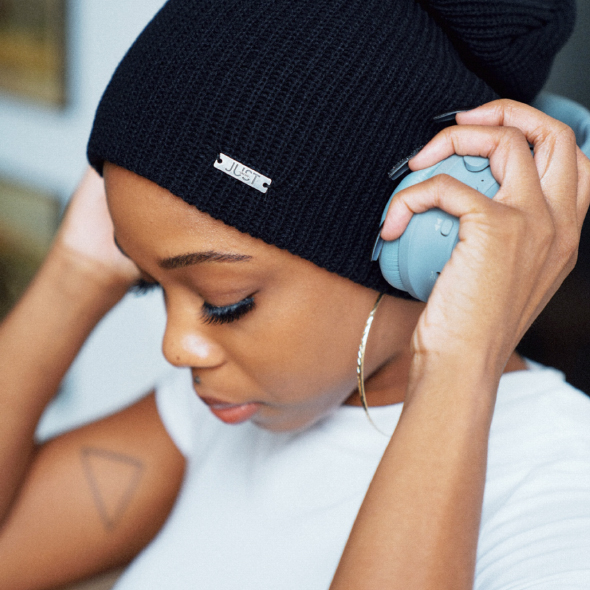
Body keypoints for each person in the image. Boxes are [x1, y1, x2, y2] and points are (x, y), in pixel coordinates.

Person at [1, 0, 589, 588]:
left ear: (425, 240)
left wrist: (462, 363)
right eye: (152, 283)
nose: (177, 349)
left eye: (224, 302)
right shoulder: (221, 414)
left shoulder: (559, 502)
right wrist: (76, 274)